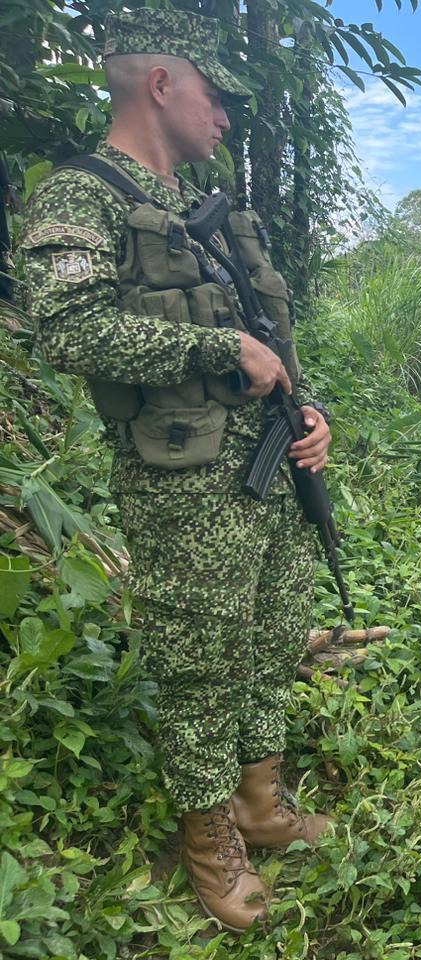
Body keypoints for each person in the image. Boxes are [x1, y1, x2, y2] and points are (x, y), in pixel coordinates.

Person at [19, 10, 332, 932]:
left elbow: (273, 341)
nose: (228, 117)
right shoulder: (82, 198)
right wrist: (213, 343)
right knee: (202, 661)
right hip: (182, 486)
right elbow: (64, 329)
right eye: (217, 95)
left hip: (269, 473)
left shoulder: (212, 216)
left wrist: (309, 413)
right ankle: (209, 843)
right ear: (162, 84)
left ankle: (258, 802)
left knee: (273, 635)